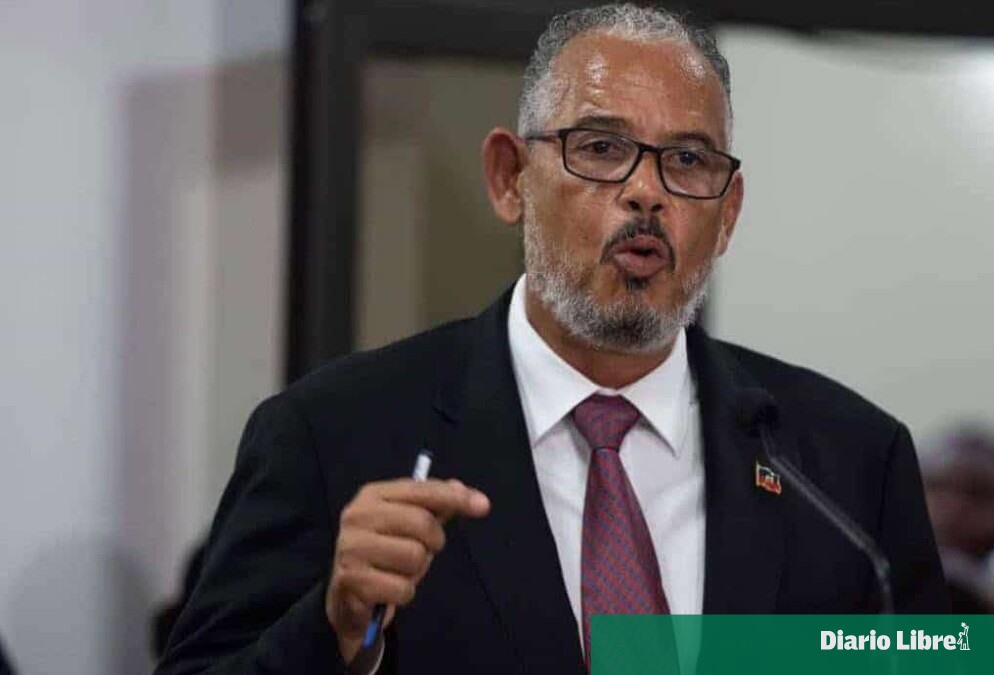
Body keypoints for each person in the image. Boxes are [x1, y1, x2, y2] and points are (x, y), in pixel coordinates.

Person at [155, 5, 947, 675]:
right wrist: (330, 629)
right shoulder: (334, 435)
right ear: (511, 179)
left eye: (687, 160)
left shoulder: (846, 465)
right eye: (600, 148)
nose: (646, 192)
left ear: (728, 211)